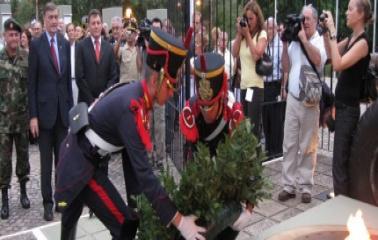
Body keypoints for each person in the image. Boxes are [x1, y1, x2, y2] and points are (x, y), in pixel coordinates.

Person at [55, 27, 206, 240]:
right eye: (171, 86)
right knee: (119, 224)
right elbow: (144, 172)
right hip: (79, 164)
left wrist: (141, 211)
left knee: (118, 220)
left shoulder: (140, 98)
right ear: (156, 81)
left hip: (84, 157)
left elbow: (133, 170)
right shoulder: (133, 108)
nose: (173, 93)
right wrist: (180, 221)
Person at [180, 52, 251, 239]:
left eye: (210, 106)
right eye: (203, 106)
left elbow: (249, 160)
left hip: (227, 185)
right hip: (203, 185)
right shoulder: (192, 111)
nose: (206, 112)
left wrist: (249, 209)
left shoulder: (232, 112)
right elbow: (189, 158)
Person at [322, 0, 373, 196]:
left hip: (348, 110)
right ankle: (343, 206)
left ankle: (342, 212)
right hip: (341, 107)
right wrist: (327, 33)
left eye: (350, 9)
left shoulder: (362, 43)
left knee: (340, 165)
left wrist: (333, 30)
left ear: (360, 14)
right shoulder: (353, 38)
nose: (346, 12)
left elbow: (338, 64)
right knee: (340, 162)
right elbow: (329, 53)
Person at [28, 2, 73, 221]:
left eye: (57, 17)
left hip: (63, 115)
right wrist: (33, 116)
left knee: (62, 163)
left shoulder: (64, 44)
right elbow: (32, 84)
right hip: (44, 116)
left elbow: (65, 81)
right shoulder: (36, 46)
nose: (55, 21)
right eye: (51, 18)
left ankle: (61, 201)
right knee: (46, 164)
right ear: (45, 20)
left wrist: (72, 114)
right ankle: (47, 203)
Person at [278, 4, 327, 204]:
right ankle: (288, 186)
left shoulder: (318, 40)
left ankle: (306, 186)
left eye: (307, 19)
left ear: (315, 21)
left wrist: (303, 40)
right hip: (293, 98)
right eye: (302, 18)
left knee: (308, 144)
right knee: (289, 143)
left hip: (310, 101)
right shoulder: (294, 41)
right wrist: (284, 43)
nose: (304, 22)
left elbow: (318, 60)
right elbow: (286, 66)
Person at [0, 19, 30, 220]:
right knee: (3, 162)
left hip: (22, 119)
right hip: (2, 121)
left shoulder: (27, 58)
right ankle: (4, 199)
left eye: (16, 35)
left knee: (23, 157)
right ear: (4, 37)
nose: (13, 38)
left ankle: (23, 192)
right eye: (10, 35)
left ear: (20, 37)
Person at [232, 1, 267, 140]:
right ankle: (247, 160)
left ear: (258, 18)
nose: (249, 21)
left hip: (255, 86)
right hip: (244, 86)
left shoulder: (261, 34)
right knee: (245, 125)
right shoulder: (243, 35)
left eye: (252, 18)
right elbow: (234, 53)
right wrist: (240, 34)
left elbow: (256, 55)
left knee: (253, 127)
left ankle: (256, 160)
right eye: (247, 18)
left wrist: (247, 35)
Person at [75, 9, 118, 106]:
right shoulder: (81, 47)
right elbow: (79, 78)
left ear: (102, 25)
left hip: (105, 102)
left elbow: (113, 76)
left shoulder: (109, 48)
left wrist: (103, 97)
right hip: (86, 103)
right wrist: (92, 100)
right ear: (89, 26)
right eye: (93, 23)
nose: (96, 26)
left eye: (98, 23)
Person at [264, 17, 283, 102]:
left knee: (272, 113)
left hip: (274, 85)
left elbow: (285, 70)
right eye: (266, 28)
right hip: (261, 85)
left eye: (271, 28)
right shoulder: (263, 42)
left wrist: (283, 87)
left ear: (276, 28)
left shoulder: (280, 45)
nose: (268, 31)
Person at [66, 23, 78, 105]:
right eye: (69, 31)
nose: (71, 32)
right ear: (67, 33)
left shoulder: (80, 46)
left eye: (72, 30)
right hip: (67, 82)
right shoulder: (64, 47)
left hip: (77, 82)